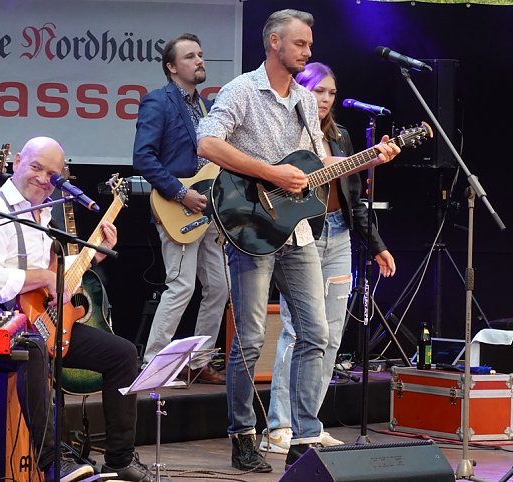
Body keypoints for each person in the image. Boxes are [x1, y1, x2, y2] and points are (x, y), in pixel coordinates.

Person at [196, 10, 400, 471]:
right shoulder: (242, 91)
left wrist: (368, 160)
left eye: (309, 45)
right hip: (249, 224)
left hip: (300, 230)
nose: (308, 53)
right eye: (301, 45)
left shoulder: (306, 103)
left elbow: (318, 168)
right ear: (274, 42)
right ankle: (243, 434)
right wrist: (270, 172)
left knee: (317, 332)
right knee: (249, 338)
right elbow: (206, 143)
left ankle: (305, 434)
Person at [0, 136, 155, 482]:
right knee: (32, 351)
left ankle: (119, 459)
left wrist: (95, 254)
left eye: (52, 175)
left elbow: (58, 278)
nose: (43, 179)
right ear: (17, 162)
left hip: (35, 323)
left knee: (122, 354)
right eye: (36, 167)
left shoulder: (42, 215)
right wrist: (43, 277)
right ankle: (53, 463)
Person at [259, 62, 397, 454]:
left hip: (338, 235)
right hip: (300, 237)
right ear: (300, 90)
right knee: (297, 331)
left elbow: (354, 199)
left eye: (331, 93)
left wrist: (378, 245)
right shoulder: (289, 132)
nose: (325, 99)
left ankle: (309, 424)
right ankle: (279, 425)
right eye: (318, 91)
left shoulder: (342, 137)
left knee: (331, 335)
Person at [133, 33, 228, 384]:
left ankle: (199, 362)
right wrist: (179, 193)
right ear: (172, 67)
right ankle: (152, 365)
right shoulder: (157, 102)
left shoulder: (204, 107)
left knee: (218, 287)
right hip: (178, 205)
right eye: (190, 56)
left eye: (201, 55)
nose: (199, 60)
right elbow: (143, 157)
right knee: (182, 286)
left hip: (207, 209)